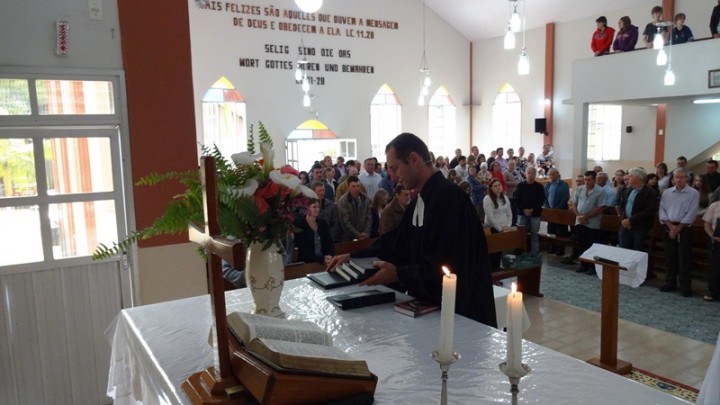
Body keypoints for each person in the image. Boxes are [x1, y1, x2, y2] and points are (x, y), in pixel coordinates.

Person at [327, 133, 497, 327]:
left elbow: (450, 266)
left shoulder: (450, 199)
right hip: (432, 310)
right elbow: (397, 242)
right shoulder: (421, 200)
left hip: (463, 314)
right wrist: (353, 256)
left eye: (394, 168)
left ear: (414, 159)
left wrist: (399, 274)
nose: (391, 176)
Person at [658, 168, 700, 297]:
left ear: (686, 179)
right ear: (673, 179)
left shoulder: (693, 193)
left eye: (682, 177)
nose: (679, 179)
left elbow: (692, 212)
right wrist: (671, 226)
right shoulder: (667, 193)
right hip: (669, 226)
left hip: (685, 228)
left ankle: (685, 286)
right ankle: (670, 282)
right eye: (677, 177)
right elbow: (662, 210)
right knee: (670, 256)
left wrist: (678, 228)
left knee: (684, 258)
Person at [571, 171, 606, 274]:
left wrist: (585, 217)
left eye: (589, 180)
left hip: (593, 223)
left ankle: (592, 266)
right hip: (580, 221)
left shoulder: (600, 191)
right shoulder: (579, 189)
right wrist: (579, 216)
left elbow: (600, 208)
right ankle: (583, 264)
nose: (586, 182)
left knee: (592, 245)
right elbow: (574, 204)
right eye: (585, 179)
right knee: (581, 243)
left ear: (594, 180)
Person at [618, 167, 659, 252]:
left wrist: (631, 221)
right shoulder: (628, 189)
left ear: (637, 178)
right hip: (625, 225)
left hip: (640, 226)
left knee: (637, 251)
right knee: (623, 249)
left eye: (631, 176)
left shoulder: (650, 192)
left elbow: (649, 211)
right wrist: (624, 220)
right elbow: (622, 206)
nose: (629, 178)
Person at [483, 178, 513, 272]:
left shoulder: (505, 197)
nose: (498, 188)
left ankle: (496, 271)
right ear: (491, 188)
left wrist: (508, 226)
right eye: (495, 186)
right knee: (493, 253)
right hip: (493, 228)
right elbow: (490, 217)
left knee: (500, 252)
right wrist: (500, 229)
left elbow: (509, 213)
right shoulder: (487, 199)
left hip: (504, 227)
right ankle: (492, 273)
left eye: (499, 185)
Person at [294, 198, 335, 264]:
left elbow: (329, 242)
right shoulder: (300, 225)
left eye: (318, 207)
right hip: (307, 263)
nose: (317, 209)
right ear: (307, 208)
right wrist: (321, 259)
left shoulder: (323, 223)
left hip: (324, 260)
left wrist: (330, 255)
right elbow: (303, 250)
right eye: (314, 207)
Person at [515, 167, 545, 255]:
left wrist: (532, 209)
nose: (530, 175)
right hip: (522, 213)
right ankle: (521, 252)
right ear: (525, 174)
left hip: (535, 214)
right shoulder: (520, 185)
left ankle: (534, 253)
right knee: (521, 234)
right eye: (529, 173)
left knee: (534, 234)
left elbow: (541, 200)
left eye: (532, 173)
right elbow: (517, 200)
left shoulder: (539, 186)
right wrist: (523, 210)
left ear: (535, 175)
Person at [336, 175, 372, 242]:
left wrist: (366, 232)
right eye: (353, 186)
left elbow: (369, 217)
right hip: (348, 237)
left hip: (364, 235)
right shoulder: (343, 201)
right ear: (348, 187)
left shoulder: (365, 198)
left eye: (358, 186)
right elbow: (345, 222)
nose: (356, 189)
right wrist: (358, 235)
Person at [544, 168, 570, 256]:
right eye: (550, 174)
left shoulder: (564, 184)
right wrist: (547, 207)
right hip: (550, 211)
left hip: (560, 211)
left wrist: (558, 208)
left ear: (558, 174)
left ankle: (561, 248)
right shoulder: (547, 184)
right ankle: (552, 247)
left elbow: (565, 197)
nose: (551, 176)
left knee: (561, 231)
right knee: (551, 230)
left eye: (553, 174)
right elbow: (545, 197)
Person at [701, 199, 720, 301]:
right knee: (715, 267)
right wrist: (712, 236)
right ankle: (713, 291)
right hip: (716, 241)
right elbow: (707, 223)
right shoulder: (715, 206)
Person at [503, 159, 524, 226]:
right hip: (510, 194)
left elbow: (521, 180)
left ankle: (515, 223)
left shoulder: (517, 172)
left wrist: (520, 183)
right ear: (507, 165)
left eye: (513, 164)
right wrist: (514, 183)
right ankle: (510, 224)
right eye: (510, 164)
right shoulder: (505, 173)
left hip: (517, 194)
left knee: (516, 211)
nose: (512, 166)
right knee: (511, 210)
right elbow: (504, 183)